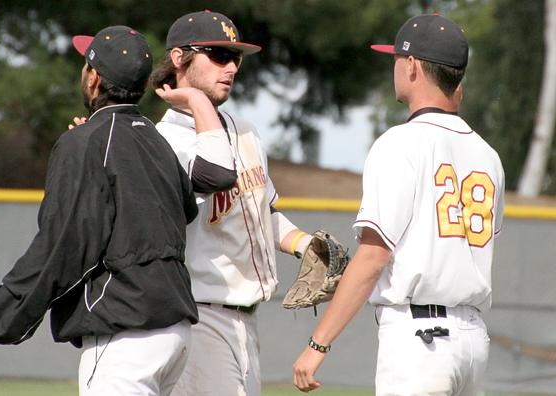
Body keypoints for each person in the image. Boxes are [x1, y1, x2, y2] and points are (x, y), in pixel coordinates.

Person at [0, 25, 200, 396]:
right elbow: (186, 210)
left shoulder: (86, 142)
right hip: (176, 332)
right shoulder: (156, 140)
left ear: (94, 79)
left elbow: (62, 246)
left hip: (126, 335)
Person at [292, 14, 505, 395]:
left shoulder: (400, 144)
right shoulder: (488, 156)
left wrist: (317, 344)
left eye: (395, 58)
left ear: (410, 66)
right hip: (473, 342)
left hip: (420, 341)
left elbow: (374, 257)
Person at [151, 10, 319, 396]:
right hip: (199, 317)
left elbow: (261, 212)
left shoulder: (245, 131)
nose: (230, 67)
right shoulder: (165, 143)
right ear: (179, 58)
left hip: (246, 322)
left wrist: (304, 245)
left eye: (235, 58)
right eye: (218, 54)